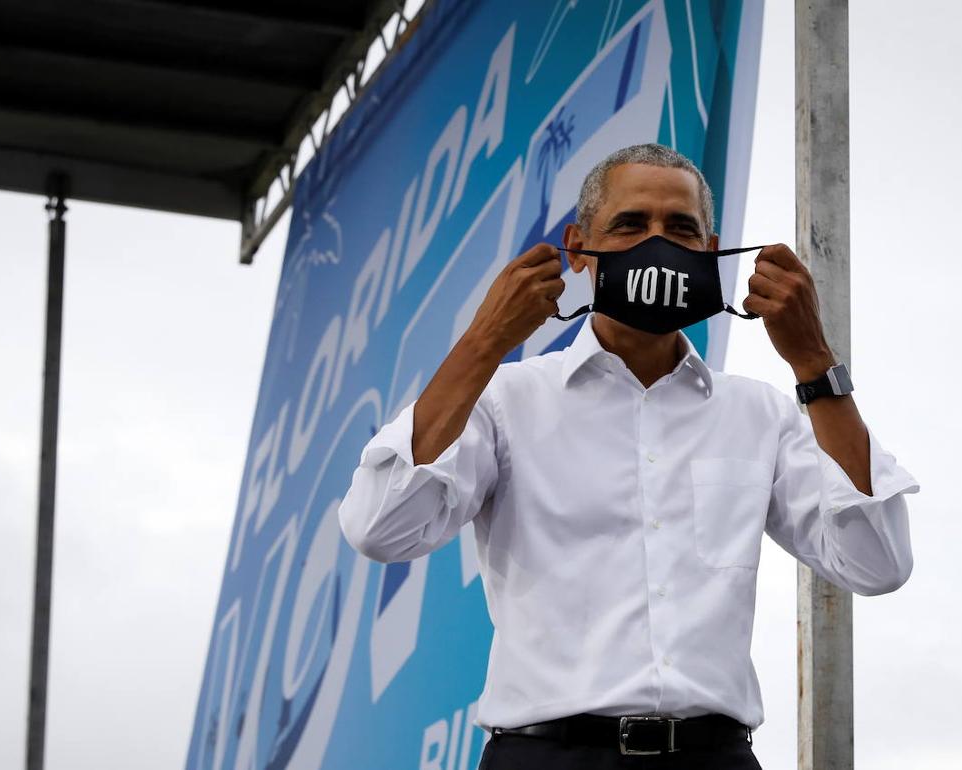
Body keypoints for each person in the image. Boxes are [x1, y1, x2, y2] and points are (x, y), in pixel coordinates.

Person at [337, 143, 919, 769]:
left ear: (710, 248)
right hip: (547, 757)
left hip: (713, 758)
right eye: (631, 224)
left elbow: (877, 562)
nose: (657, 244)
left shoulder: (762, 414)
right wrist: (485, 342)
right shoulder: (506, 400)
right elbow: (380, 529)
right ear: (579, 247)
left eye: (681, 228)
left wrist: (813, 362)